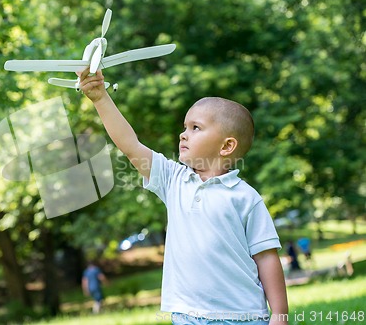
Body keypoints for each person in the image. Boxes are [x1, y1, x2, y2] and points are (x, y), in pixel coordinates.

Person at [78, 68, 288, 325]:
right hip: (187, 316)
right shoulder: (174, 180)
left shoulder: (245, 197)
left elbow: (266, 257)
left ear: (226, 146)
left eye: (195, 127)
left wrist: (279, 315)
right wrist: (100, 98)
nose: (183, 134)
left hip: (242, 316)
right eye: (184, 127)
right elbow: (131, 146)